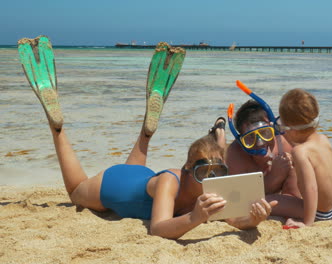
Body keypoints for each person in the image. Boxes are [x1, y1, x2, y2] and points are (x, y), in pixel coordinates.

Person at [18, 36, 276, 240]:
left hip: (137, 175)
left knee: (137, 172)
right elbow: (159, 228)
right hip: (114, 184)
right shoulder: (169, 182)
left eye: (218, 172)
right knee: (76, 192)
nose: (211, 179)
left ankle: (146, 132)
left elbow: (232, 220)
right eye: (203, 173)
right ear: (187, 171)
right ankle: (57, 128)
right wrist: (194, 218)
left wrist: (254, 218)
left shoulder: (215, 185)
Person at [275, 88, 332, 228]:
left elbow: (310, 188)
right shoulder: (323, 139)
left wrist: (307, 223)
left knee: (272, 201)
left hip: (323, 213)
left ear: (292, 130)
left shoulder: (300, 152)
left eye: (283, 127)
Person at [225, 99, 301, 198]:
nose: (260, 143)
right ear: (241, 141)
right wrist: (274, 176)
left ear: (274, 129)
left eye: (265, 133)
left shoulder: (287, 145)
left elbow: (295, 198)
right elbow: (238, 198)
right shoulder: (234, 155)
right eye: (251, 137)